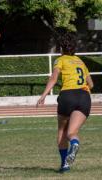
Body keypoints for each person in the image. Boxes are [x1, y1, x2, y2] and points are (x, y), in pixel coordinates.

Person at [36, 32, 93, 173]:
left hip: (68, 95)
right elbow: (90, 84)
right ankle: (74, 142)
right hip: (85, 96)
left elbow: (53, 79)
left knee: (62, 130)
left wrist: (43, 96)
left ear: (61, 48)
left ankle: (64, 165)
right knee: (72, 132)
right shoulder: (80, 61)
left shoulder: (60, 60)